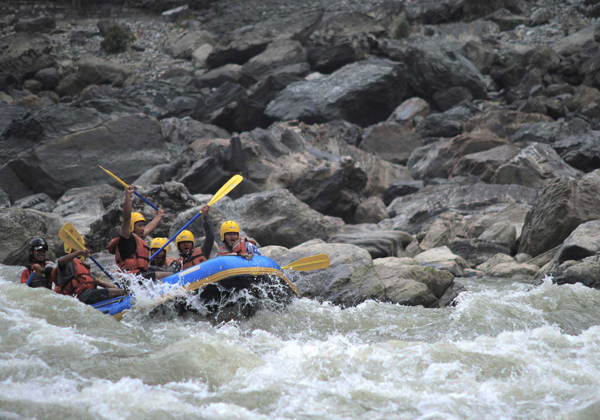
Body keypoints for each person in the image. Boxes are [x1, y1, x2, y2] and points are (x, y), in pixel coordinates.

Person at [108, 185, 170, 281]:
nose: (142, 228)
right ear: (132, 227)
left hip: (140, 275)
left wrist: (158, 216)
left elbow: (149, 228)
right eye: (139, 225)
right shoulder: (125, 238)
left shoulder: (138, 238)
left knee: (169, 272)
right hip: (132, 279)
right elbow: (126, 217)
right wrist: (128, 195)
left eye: (143, 225)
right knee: (168, 276)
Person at [52, 241, 126, 305]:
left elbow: (101, 282)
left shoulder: (82, 266)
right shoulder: (66, 265)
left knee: (122, 292)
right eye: (78, 247)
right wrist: (79, 252)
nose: (83, 248)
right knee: (121, 293)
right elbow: (61, 261)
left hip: (87, 295)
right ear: (70, 250)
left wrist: (117, 288)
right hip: (79, 297)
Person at [174, 205, 214, 271]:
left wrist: (205, 216)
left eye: (188, 242)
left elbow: (210, 237)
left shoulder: (203, 251)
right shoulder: (177, 264)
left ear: (192, 244)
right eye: (183, 243)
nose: (186, 244)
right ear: (178, 246)